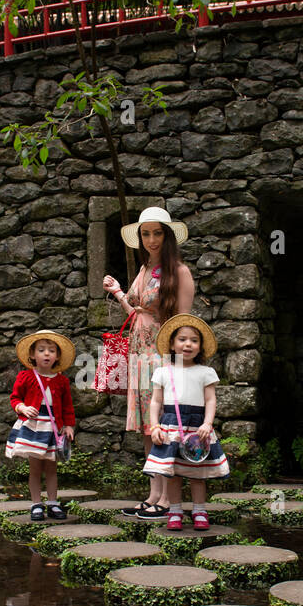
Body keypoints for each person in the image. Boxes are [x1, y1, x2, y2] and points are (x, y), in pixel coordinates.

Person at [102, 206, 196, 520]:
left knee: (164, 426)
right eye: (146, 233)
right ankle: (154, 494)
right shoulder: (144, 270)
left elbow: (183, 322)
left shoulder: (178, 272)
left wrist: (176, 363)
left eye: (157, 233)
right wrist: (117, 292)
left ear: (167, 237)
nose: (151, 239)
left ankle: (170, 500)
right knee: (148, 427)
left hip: (162, 358)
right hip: (139, 356)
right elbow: (134, 309)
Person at [143, 314, 229, 530]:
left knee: (198, 474)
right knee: (173, 474)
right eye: (182, 339)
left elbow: (210, 400)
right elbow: (155, 402)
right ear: (172, 344)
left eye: (194, 340)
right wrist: (155, 426)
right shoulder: (163, 372)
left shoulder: (206, 372)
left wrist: (207, 424)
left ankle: (200, 510)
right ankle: (175, 511)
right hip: (171, 426)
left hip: (197, 428)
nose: (188, 344)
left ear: (200, 346)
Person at [6, 331, 77, 521]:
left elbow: (68, 406)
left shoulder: (62, 381)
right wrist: (22, 407)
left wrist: (69, 425)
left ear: (58, 356)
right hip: (34, 427)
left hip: (53, 427)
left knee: (52, 468)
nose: (47, 354)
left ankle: (53, 503)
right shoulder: (26, 376)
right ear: (32, 355)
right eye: (42, 350)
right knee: (35, 467)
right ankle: (36, 503)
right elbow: (15, 398)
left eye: (51, 350)